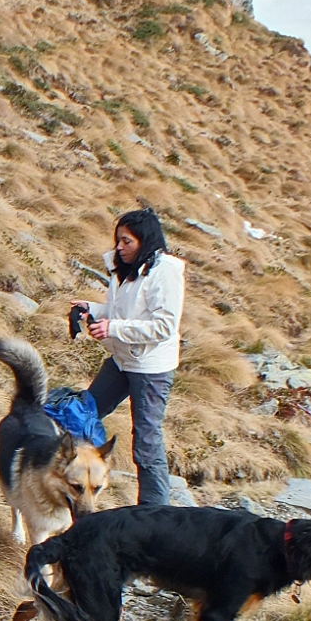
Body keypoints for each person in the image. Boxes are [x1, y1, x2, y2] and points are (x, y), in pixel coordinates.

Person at [71, 208, 184, 506]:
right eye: (118, 240)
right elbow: (120, 311)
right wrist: (92, 310)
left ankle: (154, 512)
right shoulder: (125, 268)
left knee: (146, 440)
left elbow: (163, 326)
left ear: (145, 241)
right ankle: (76, 480)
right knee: (83, 414)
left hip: (151, 367)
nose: (119, 247)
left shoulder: (165, 272)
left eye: (127, 241)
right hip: (122, 359)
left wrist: (113, 328)